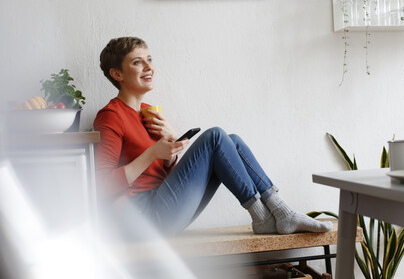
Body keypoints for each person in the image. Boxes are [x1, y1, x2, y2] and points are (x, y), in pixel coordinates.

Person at [94, 37, 332, 237]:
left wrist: (170, 152)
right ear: (117, 74)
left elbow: (158, 175)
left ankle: (278, 211)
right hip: (142, 218)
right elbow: (101, 185)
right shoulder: (110, 116)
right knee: (215, 137)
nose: (149, 67)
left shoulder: (148, 112)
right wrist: (152, 153)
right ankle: (267, 216)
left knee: (233, 141)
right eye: (138, 62)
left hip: (163, 207)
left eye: (149, 59)